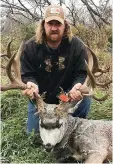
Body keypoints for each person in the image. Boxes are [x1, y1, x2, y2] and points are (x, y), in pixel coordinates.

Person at [20, 5, 91, 134]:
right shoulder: (30, 46)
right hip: (41, 97)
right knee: (33, 134)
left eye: (58, 24)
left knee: (84, 97)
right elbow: (27, 73)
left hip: (64, 97)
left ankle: (74, 124)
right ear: (43, 25)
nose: (53, 28)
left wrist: (77, 86)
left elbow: (82, 73)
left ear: (65, 25)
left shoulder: (76, 46)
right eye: (50, 23)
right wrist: (31, 84)